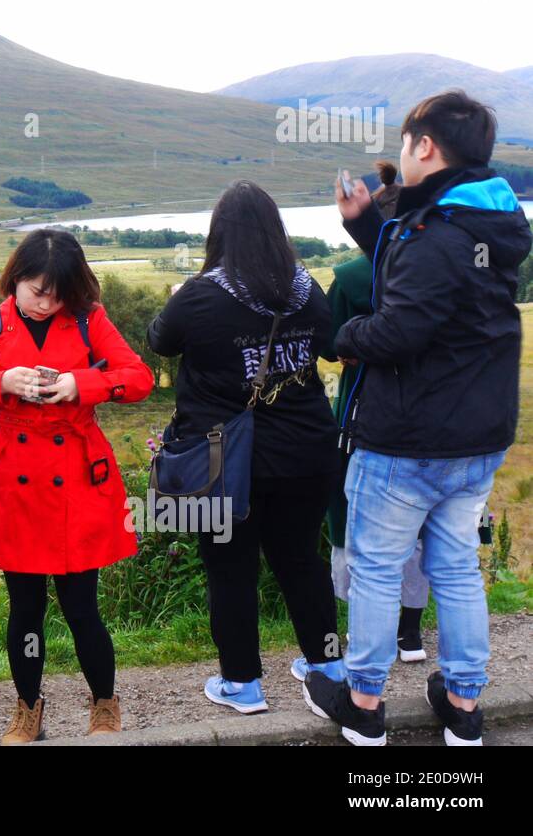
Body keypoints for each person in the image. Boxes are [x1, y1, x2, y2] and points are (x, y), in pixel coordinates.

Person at [307, 91, 531, 747]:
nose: (400, 153)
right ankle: (463, 703)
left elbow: (404, 321)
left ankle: (364, 702)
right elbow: (429, 277)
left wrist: (346, 337)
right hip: (476, 437)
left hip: (409, 437)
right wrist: (367, 226)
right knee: (456, 564)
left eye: (405, 142)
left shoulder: (437, 230)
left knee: (376, 565)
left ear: (425, 146)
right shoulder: (479, 219)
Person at [0, 228, 152, 743]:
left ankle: (104, 703)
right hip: (15, 485)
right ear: (14, 280)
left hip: (78, 480)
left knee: (83, 607)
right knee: (25, 607)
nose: (45, 303)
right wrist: (0, 383)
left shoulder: (88, 320)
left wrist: (83, 383)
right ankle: (28, 710)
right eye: (36, 290)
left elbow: (139, 377)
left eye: (56, 293)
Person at [147, 181, 342, 715]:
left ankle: (243, 684)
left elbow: (159, 339)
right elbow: (328, 344)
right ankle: (327, 668)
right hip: (307, 452)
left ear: (219, 232)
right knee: (302, 561)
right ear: (276, 231)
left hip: (225, 459)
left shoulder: (201, 292)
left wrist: (173, 303)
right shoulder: (307, 286)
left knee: (230, 570)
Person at [318, 161, 430, 669]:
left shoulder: (347, 276)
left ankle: (363, 638)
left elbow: (331, 346)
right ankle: (411, 634)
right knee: (424, 522)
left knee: (359, 519)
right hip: (430, 410)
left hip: (364, 410)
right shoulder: (431, 265)